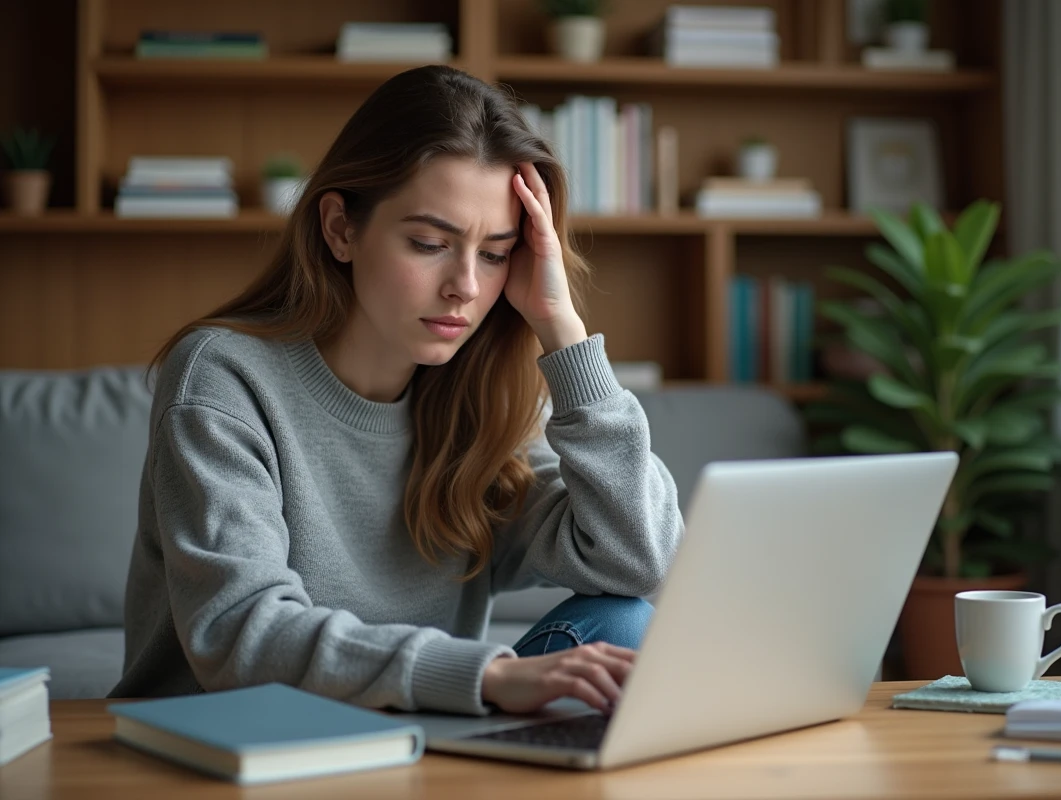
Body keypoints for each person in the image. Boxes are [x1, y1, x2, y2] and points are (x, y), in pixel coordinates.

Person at [108, 65, 684, 717]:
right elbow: (239, 631)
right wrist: (485, 675)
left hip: (414, 734)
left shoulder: (484, 394)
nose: (465, 285)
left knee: (624, 622)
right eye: (430, 243)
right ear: (341, 229)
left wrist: (562, 329)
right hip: (238, 734)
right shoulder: (223, 376)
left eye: (495, 253)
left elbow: (639, 561)